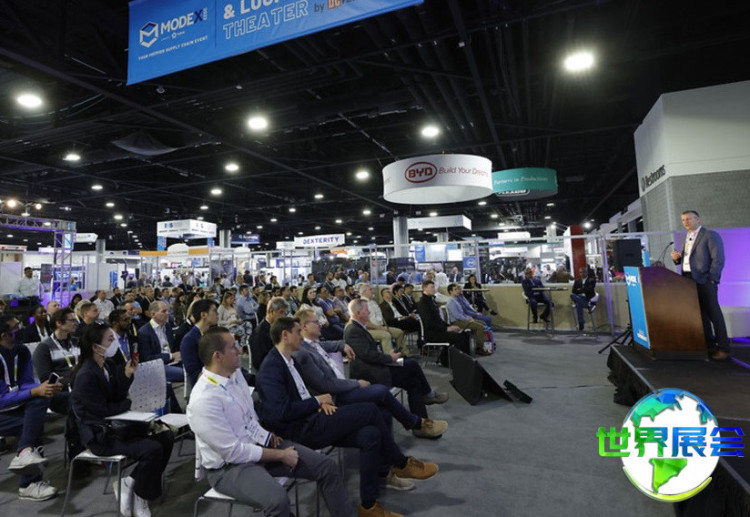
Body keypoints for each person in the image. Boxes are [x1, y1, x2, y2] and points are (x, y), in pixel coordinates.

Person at [256, 317, 439, 517]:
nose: (301, 336)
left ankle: (369, 506)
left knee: (371, 435)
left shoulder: (289, 359)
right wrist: (316, 402)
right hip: (302, 429)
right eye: (298, 332)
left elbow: (301, 393)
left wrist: (319, 402)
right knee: (370, 410)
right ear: (285, 335)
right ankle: (401, 462)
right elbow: (281, 412)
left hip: (314, 416)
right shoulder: (272, 366)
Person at [187, 327, 354, 517]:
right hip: (230, 468)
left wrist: (265, 435)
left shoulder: (234, 375)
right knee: (278, 501)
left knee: (326, 467)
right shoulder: (204, 400)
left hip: (258, 445)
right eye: (233, 347)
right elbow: (233, 452)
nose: (240, 350)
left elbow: (249, 416)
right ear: (217, 356)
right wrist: (280, 455)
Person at [70, 322, 174, 517]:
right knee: (152, 449)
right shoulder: (85, 375)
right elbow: (102, 410)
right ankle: (141, 496)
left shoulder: (107, 365)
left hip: (116, 426)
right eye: (110, 340)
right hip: (101, 436)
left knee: (166, 437)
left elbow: (116, 395)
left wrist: (127, 374)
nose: (114, 344)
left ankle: (131, 482)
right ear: (95, 347)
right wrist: (127, 403)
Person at [293, 308, 446, 439]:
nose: (320, 323)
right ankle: (417, 421)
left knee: (412, 379)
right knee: (388, 386)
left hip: (358, 378)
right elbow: (326, 384)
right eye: (316, 321)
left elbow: (326, 345)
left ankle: (421, 422)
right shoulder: (305, 352)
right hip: (344, 390)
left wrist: (343, 345)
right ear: (304, 326)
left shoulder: (314, 344)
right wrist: (357, 382)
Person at [344, 300, 449, 422]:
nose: (369, 312)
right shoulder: (353, 330)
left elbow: (368, 353)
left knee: (413, 381)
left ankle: (422, 421)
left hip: (375, 366)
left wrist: (387, 356)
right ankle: (427, 397)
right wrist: (390, 358)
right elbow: (367, 355)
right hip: (370, 373)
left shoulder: (357, 327)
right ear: (358, 313)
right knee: (412, 365)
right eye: (366, 310)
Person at [0, 314, 61, 501]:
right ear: (4, 335)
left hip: (10, 405)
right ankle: (29, 482)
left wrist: (42, 387)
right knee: (33, 422)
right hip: (3, 405)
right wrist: (34, 391)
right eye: (16, 328)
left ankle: (26, 455)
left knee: (37, 406)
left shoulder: (22, 351)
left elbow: (26, 383)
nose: (21, 329)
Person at [670, 210, 730, 360]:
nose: (686, 222)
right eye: (683, 220)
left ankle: (723, 348)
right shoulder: (688, 236)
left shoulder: (710, 235)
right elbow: (689, 259)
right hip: (689, 280)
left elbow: (718, 259)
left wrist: (712, 279)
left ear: (698, 219)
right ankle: (709, 345)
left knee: (714, 314)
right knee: (700, 314)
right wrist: (677, 259)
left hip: (705, 280)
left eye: (689, 219)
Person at [32, 307, 80, 414]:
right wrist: (69, 381)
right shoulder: (44, 348)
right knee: (84, 399)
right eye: (72, 320)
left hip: (81, 386)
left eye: (76, 319)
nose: (76, 323)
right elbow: (46, 379)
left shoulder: (77, 342)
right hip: (60, 392)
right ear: (59, 323)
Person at [416, 281, 471, 363]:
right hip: (432, 334)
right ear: (424, 288)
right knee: (459, 337)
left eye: (434, 287)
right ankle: (456, 362)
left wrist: (449, 326)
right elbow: (429, 324)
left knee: (464, 334)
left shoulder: (431, 300)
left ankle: (453, 359)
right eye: (432, 287)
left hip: (438, 330)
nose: (434, 289)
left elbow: (438, 320)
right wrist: (446, 329)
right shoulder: (423, 303)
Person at [357, 283, 404, 354]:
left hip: (380, 326)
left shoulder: (373, 302)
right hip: (369, 330)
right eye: (370, 289)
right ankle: (389, 357)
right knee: (386, 335)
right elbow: (365, 323)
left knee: (399, 332)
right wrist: (380, 328)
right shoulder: (361, 304)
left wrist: (385, 326)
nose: (372, 291)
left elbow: (381, 316)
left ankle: (402, 354)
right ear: (364, 292)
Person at [445, 284, 491, 355]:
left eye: (457, 289)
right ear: (450, 292)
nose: (457, 291)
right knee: (480, 327)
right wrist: (468, 319)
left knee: (483, 323)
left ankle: (482, 343)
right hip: (457, 322)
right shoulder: (451, 302)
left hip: (462, 320)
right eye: (455, 289)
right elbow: (457, 316)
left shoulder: (456, 300)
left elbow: (462, 313)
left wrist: (469, 317)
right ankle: (479, 348)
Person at [250, 297, 288, 372]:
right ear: (272, 311)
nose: (284, 316)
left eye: (285, 313)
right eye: (281, 312)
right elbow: (259, 361)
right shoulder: (260, 333)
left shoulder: (277, 327)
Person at [570, 267, 597, 332]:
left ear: (586, 272)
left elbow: (589, 290)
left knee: (578, 304)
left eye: (583, 272)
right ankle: (589, 306)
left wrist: (580, 290)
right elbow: (573, 291)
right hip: (580, 297)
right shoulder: (577, 281)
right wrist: (582, 290)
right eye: (580, 272)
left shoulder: (591, 280)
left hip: (587, 298)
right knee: (572, 296)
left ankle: (581, 323)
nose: (582, 274)